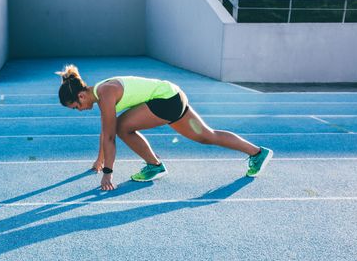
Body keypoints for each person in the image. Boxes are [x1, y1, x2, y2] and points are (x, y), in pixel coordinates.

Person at [56, 64, 273, 191]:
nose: (80, 109)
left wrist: (108, 174)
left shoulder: (105, 94)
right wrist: (99, 159)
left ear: (81, 95)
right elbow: (106, 131)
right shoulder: (102, 90)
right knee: (207, 136)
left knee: (122, 127)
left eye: (76, 106)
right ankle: (257, 152)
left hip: (165, 100)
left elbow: (110, 135)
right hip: (173, 94)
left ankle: (154, 165)